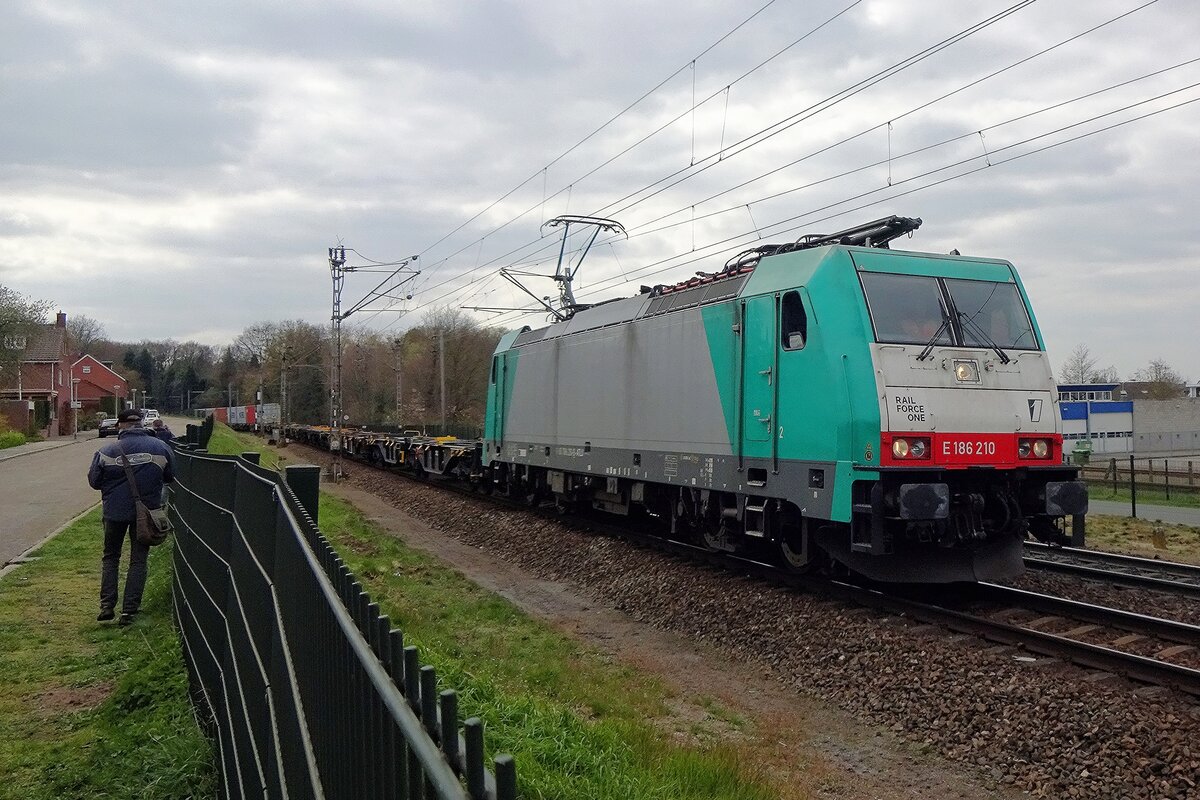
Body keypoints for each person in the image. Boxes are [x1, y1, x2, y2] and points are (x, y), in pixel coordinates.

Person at [87, 408, 176, 626]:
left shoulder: (106, 451)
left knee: (111, 557)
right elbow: (170, 476)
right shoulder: (160, 448)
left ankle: (107, 606)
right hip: (145, 515)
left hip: (114, 513)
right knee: (138, 560)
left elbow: (94, 481)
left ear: (120, 426)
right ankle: (129, 611)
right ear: (142, 424)